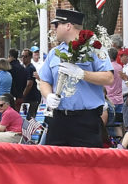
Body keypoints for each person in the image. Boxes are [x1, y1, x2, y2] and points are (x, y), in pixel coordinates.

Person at [37, 10, 111, 147]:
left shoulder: (95, 49)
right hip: (59, 118)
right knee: (55, 163)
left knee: (87, 164)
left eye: (56, 25)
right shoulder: (54, 53)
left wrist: (82, 73)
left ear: (68, 26)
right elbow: (44, 80)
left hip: (86, 120)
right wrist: (49, 95)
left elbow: (108, 77)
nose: (54, 29)